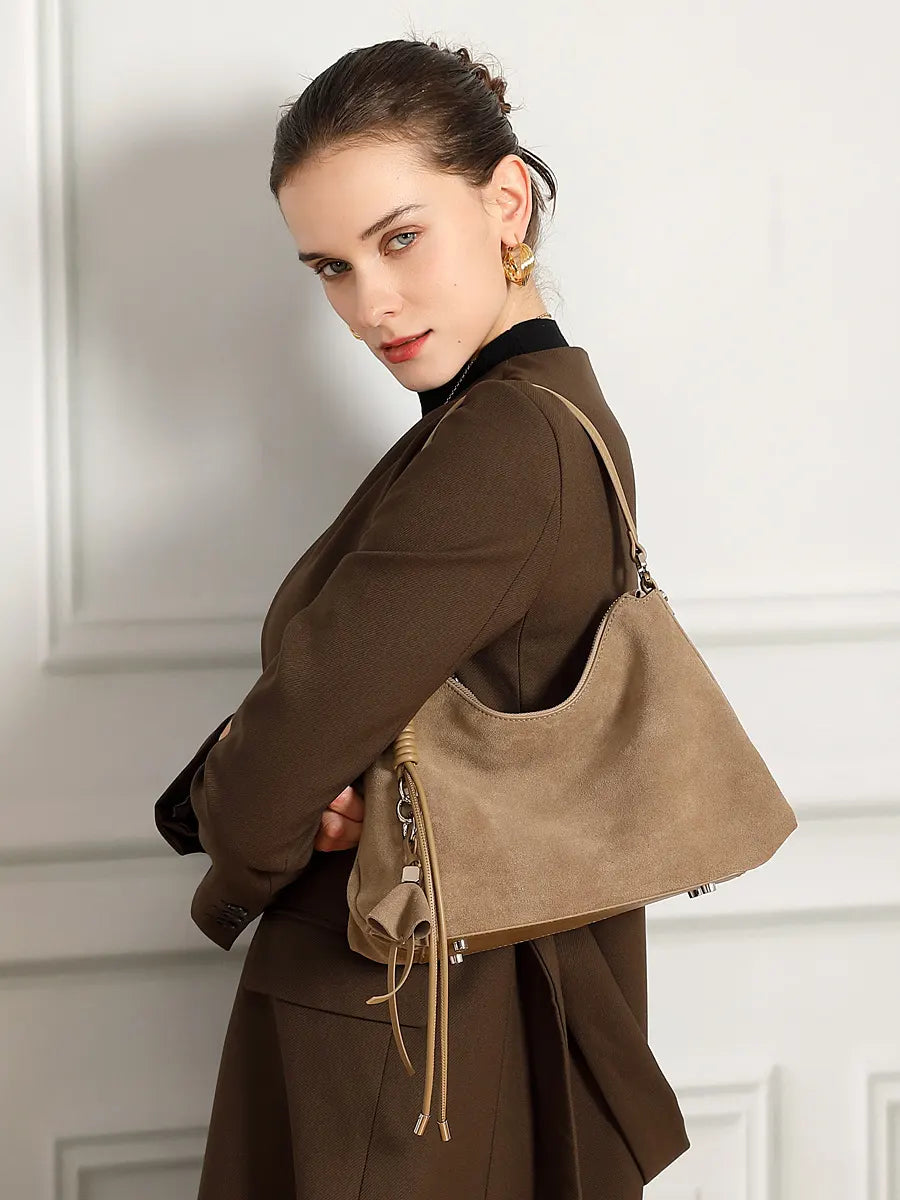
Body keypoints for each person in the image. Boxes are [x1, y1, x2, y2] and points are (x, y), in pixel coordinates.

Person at [154, 36, 691, 1200]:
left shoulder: (506, 442)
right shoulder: (534, 415)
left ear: (504, 200)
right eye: (330, 268)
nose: (369, 302)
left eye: (399, 238)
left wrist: (256, 835)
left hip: (411, 1040)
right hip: (434, 1016)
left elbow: (283, 758)